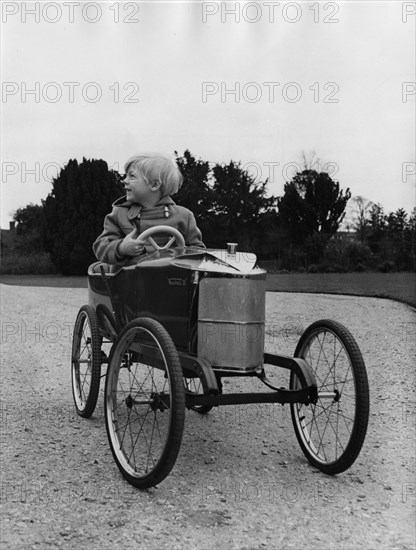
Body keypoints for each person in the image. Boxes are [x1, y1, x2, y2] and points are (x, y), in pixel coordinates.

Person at [93, 153, 205, 265]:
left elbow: (198, 251)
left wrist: (181, 255)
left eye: (132, 176)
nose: (124, 180)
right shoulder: (120, 214)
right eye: (126, 176)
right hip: (129, 280)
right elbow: (101, 247)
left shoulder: (183, 216)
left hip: (170, 280)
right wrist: (121, 248)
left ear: (154, 185)